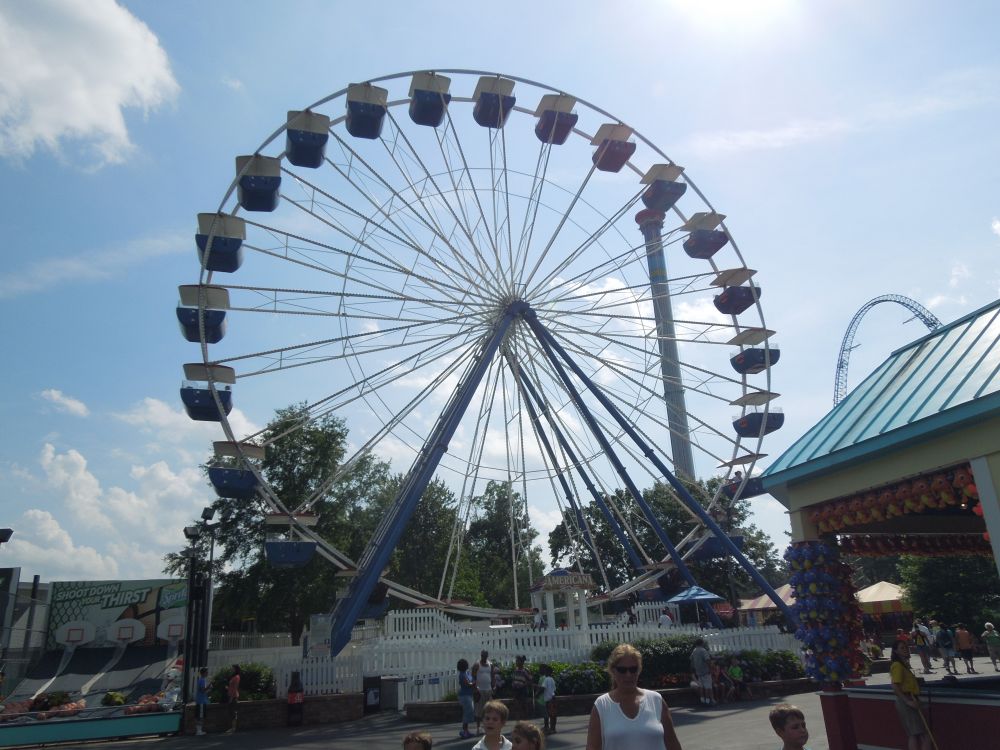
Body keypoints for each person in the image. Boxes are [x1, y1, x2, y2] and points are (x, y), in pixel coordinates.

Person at [585, 643, 684, 750]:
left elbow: (673, 744)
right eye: (622, 670)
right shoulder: (601, 705)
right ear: (613, 670)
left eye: (633, 669)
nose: (628, 675)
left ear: (639, 670)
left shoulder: (656, 700)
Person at [889, 640, 932, 750]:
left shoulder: (904, 665)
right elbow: (895, 685)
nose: (905, 650)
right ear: (896, 651)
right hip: (907, 699)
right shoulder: (897, 665)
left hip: (911, 698)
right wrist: (908, 701)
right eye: (902, 648)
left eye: (906, 647)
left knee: (917, 734)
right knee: (920, 734)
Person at [473, 650, 498, 734]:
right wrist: (475, 688)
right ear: (481, 655)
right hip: (480, 690)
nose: (484, 657)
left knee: (489, 709)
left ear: (487, 656)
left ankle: (488, 726)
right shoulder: (477, 665)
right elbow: (473, 677)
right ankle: (478, 727)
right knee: (479, 709)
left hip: (488, 689)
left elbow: (493, 676)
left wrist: (494, 686)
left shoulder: (490, 664)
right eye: (483, 655)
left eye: (485, 655)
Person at [689, 638, 713, 706]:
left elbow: (691, 661)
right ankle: (708, 701)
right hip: (705, 671)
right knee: (707, 687)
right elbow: (707, 660)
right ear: (702, 643)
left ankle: (702, 700)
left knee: (701, 687)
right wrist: (710, 669)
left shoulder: (694, 651)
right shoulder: (703, 650)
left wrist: (693, 670)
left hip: (698, 672)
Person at [457, 658, 476, 739]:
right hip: (464, 696)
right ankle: (464, 731)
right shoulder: (462, 674)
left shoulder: (466, 673)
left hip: (468, 695)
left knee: (468, 712)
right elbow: (467, 684)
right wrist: (474, 683)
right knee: (467, 712)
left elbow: (471, 679)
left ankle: (466, 731)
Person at [511, 655, 533, 720]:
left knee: (524, 706)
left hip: (522, 690)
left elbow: (530, 680)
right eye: (516, 661)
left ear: (521, 662)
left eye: (517, 661)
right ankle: (518, 722)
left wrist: (524, 684)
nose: (516, 662)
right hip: (516, 690)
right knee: (517, 707)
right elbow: (513, 679)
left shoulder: (525, 670)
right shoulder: (515, 670)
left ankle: (525, 721)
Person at [538, 664, 557, 734]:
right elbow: (554, 689)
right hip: (553, 698)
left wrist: (537, 694)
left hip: (548, 700)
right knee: (553, 714)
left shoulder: (546, 679)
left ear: (547, 672)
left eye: (545, 671)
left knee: (549, 714)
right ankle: (553, 728)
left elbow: (543, 688)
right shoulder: (552, 679)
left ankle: (550, 729)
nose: (544, 673)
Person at [225, 664, 240, 734]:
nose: (231, 670)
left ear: (236, 669)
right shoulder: (233, 677)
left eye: (233, 669)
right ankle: (231, 728)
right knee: (231, 712)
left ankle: (233, 728)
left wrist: (231, 697)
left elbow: (235, 688)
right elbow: (232, 687)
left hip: (233, 697)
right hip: (231, 695)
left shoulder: (237, 677)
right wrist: (228, 688)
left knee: (233, 712)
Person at [195, 667, 210, 736]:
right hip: (201, 701)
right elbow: (202, 690)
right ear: (204, 673)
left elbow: (203, 691)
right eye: (207, 672)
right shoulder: (202, 680)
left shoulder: (202, 680)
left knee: (201, 716)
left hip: (202, 700)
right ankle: (199, 731)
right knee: (200, 716)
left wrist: (209, 689)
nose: (207, 673)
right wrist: (209, 686)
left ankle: (199, 730)